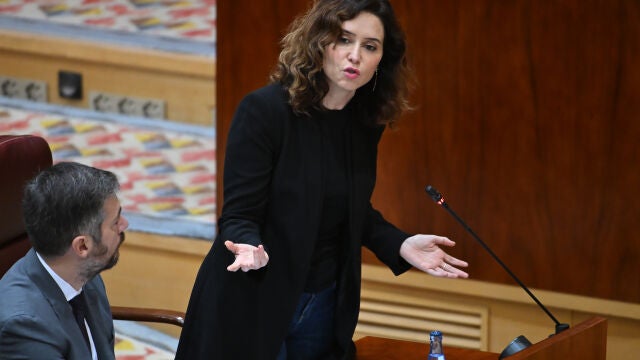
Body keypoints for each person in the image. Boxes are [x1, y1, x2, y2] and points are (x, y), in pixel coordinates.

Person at [176, 0, 469, 359]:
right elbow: (239, 215)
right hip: (255, 298)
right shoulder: (265, 112)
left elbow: (350, 209)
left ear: (382, 60)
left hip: (323, 306)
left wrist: (400, 244)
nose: (355, 56)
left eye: (370, 46)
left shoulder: (363, 124)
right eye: (344, 40)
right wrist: (249, 246)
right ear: (319, 43)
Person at [0, 162, 128, 360]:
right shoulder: (25, 327)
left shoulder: (84, 272)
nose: (124, 225)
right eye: (115, 222)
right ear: (82, 246)